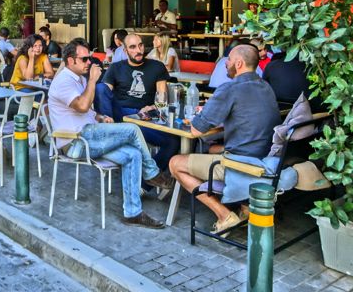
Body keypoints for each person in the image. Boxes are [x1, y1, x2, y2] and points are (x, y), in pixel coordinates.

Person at [48, 38, 174, 228]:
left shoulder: (79, 79)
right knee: (132, 129)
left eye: (89, 58)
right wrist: (92, 80)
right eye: (84, 59)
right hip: (75, 143)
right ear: (70, 61)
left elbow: (86, 110)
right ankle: (152, 173)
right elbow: (82, 105)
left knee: (132, 155)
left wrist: (99, 116)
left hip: (90, 138)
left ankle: (133, 213)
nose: (89, 62)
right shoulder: (63, 81)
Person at [169, 44, 281, 234]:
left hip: (239, 163)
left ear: (238, 63)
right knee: (210, 148)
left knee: (175, 163)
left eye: (228, 60)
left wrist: (204, 112)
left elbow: (196, 129)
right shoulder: (266, 86)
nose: (225, 64)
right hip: (264, 157)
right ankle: (245, 206)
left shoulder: (230, 88)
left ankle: (225, 215)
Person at [95, 33, 179, 172]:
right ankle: (108, 131)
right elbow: (104, 94)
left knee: (173, 142)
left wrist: (153, 107)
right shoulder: (116, 68)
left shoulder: (157, 66)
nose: (138, 50)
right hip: (120, 115)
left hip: (144, 118)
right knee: (100, 87)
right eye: (132, 47)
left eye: (140, 45)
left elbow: (162, 98)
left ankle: (146, 182)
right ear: (125, 50)